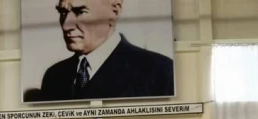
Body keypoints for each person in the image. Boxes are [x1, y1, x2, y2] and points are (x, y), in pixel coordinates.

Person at [31, 0, 174, 102]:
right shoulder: (54, 77)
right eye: (63, 12)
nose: (66, 26)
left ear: (114, 12)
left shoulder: (160, 71)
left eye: (81, 12)